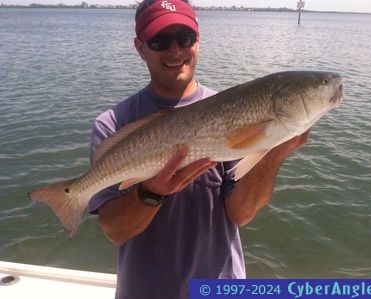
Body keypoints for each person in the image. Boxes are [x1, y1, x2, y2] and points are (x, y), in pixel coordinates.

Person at [88, 1, 310, 298]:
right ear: (140, 48)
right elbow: (115, 231)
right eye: (160, 41)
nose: (175, 51)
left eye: (185, 38)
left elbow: (241, 214)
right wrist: (151, 192)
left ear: (198, 40)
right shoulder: (111, 125)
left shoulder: (235, 113)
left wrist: (271, 153)